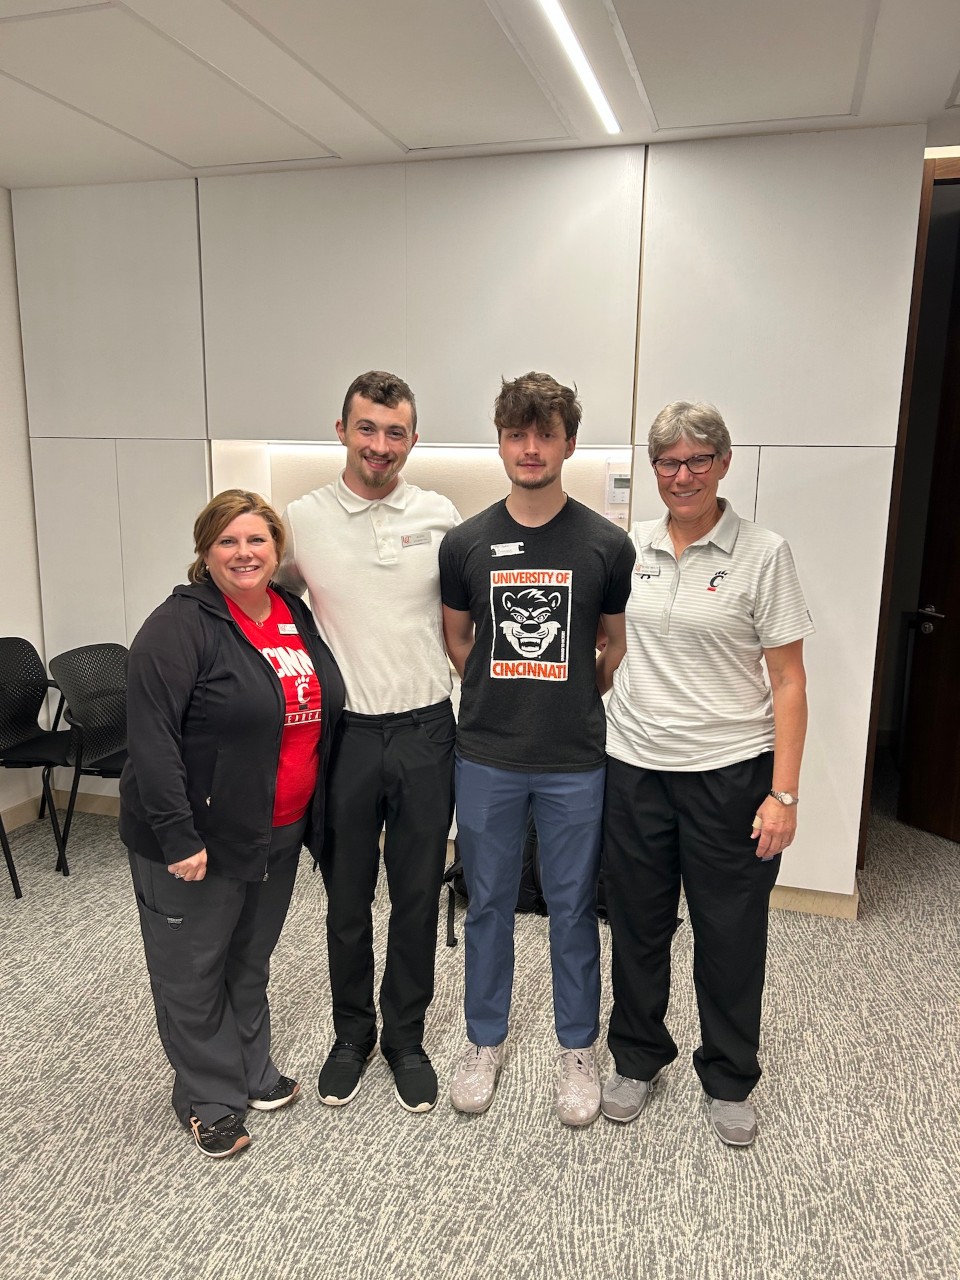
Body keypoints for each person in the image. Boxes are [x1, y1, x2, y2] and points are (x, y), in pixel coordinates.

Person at [600, 401, 813, 1147]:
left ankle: (728, 1076)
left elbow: (788, 679)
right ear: (653, 470)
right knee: (636, 925)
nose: (681, 475)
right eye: (667, 462)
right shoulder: (631, 547)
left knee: (729, 933)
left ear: (723, 463)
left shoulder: (762, 552)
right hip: (633, 771)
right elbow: (613, 650)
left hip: (729, 775)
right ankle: (635, 1058)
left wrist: (783, 793)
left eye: (697, 460)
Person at [120, 489, 344, 1159]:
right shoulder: (178, 626)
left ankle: (250, 1070)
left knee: (247, 959)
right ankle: (208, 1098)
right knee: (192, 970)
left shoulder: (290, 612)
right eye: (228, 541)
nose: (244, 553)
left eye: (257, 540)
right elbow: (152, 741)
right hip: (198, 838)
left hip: (276, 827)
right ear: (206, 551)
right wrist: (178, 836)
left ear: (278, 550)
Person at [439, 371, 635, 1125]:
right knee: (486, 901)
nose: (529, 447)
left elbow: (610, 644)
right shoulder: (466, 542)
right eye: (516, 433)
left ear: (568, 444)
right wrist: (501, 691)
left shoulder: (604, 543)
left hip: (574, 759)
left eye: (543, 433)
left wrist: (571, 697)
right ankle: (484, 1040)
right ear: (501, 441)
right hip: (485, 753)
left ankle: (577, 1047)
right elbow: (459, 640)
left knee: (573, 906)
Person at [279, 371, 460, 1114]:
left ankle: (405, 1039)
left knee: (417, 898)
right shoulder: (301, 517)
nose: (379, 446)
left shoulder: (443, 515)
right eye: (366, 429)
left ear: (412, 439)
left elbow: (469, 622)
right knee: (347, 901)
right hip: (346, 738)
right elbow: (255, 584)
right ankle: (351, 1035)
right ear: (342, 430)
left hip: (425, 732)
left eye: (395, 433)